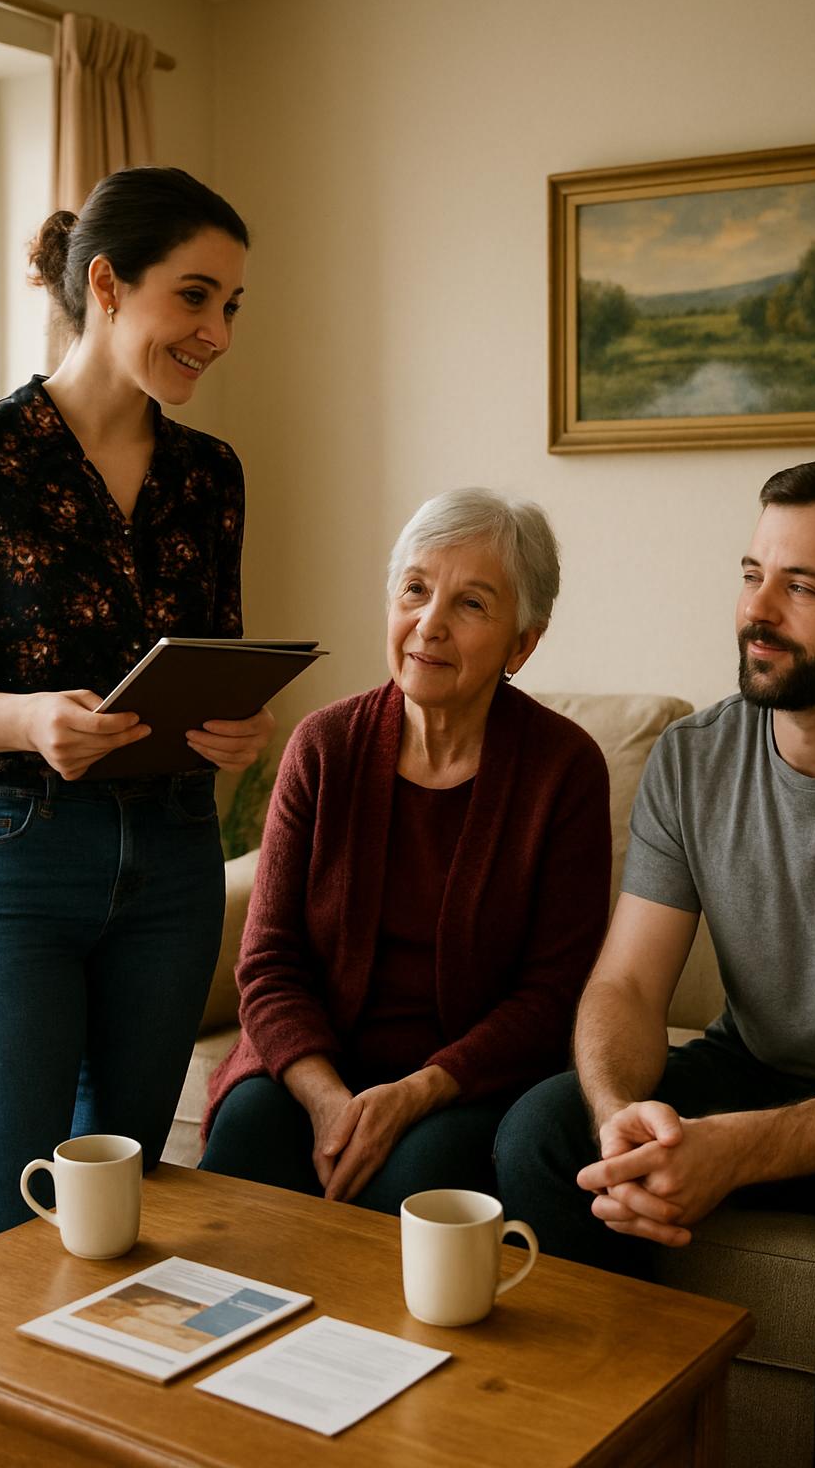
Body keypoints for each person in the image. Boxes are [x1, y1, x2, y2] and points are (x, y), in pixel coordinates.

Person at [495, 459, 815, 1468]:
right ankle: (620, 1443)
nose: (758, 611)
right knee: (544, 1131)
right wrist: (620, 1118)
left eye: (801, 586)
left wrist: (736, 1150)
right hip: (752, 1061)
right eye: (751, 574)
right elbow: (627, 985)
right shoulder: (694, 758)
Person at [0, 166, 273, 1252]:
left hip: (170, 862)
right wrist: (29, 721)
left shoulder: (211, 476)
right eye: (196, 297)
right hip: (7, 862)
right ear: (108, 284)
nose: (216, 332)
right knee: (9, 1212)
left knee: (122, 1207)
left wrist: (238, 729)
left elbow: (211, 654)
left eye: (231, 307)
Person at [201, 487, 611, 1214]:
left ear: (523, 642)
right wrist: (329, 1099)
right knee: (247, 1136)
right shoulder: (323, 746)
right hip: (315, 1065)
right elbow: (267, 963)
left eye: (472, 604)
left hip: (466, 1083)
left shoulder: (564, 769)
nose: (430, 624)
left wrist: (418, 1091)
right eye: (415, 590)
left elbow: (552, 995)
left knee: (414, 1181)